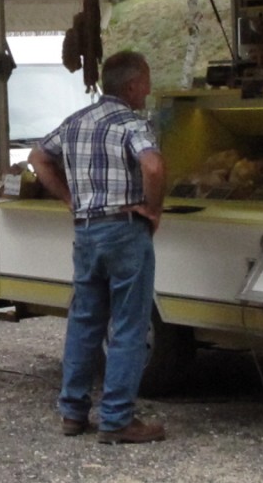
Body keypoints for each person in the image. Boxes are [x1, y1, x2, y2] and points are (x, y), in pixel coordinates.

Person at [28, 51, 166, 445]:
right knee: (127, 324)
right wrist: (153, 209)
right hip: (124, 227)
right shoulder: (131, 123)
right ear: (134, 85)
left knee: (85, 321)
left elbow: (38, 157)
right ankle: (117, 419)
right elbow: (153, 166)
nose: (149, 89)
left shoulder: (76, 121)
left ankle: (73, 412)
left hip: (86, 230)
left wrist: (69, 198)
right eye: (147, 81)